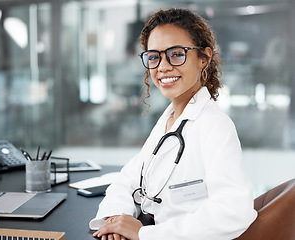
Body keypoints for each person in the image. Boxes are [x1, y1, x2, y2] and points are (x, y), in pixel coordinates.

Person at [90, 8, 257, 240]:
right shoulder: (169, 121)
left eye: (177, 54)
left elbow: (233, 211)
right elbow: (127, 179)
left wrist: (144, 233)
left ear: (204, 58)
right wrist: (115, 219)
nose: (163, 67)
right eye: (153, 56)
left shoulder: (215, 126)